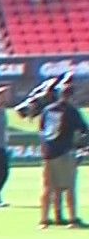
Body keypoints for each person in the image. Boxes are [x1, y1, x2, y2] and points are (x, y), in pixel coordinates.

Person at [38, 82, 85, 228]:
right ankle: (72, 219)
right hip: (65, 152)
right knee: (69, 187)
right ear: (71, 96)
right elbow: (84, 130)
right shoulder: (71, 111)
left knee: (48, 187)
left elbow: (42, 130)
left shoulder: (47, 110)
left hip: (48, 153)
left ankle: (45, 220)